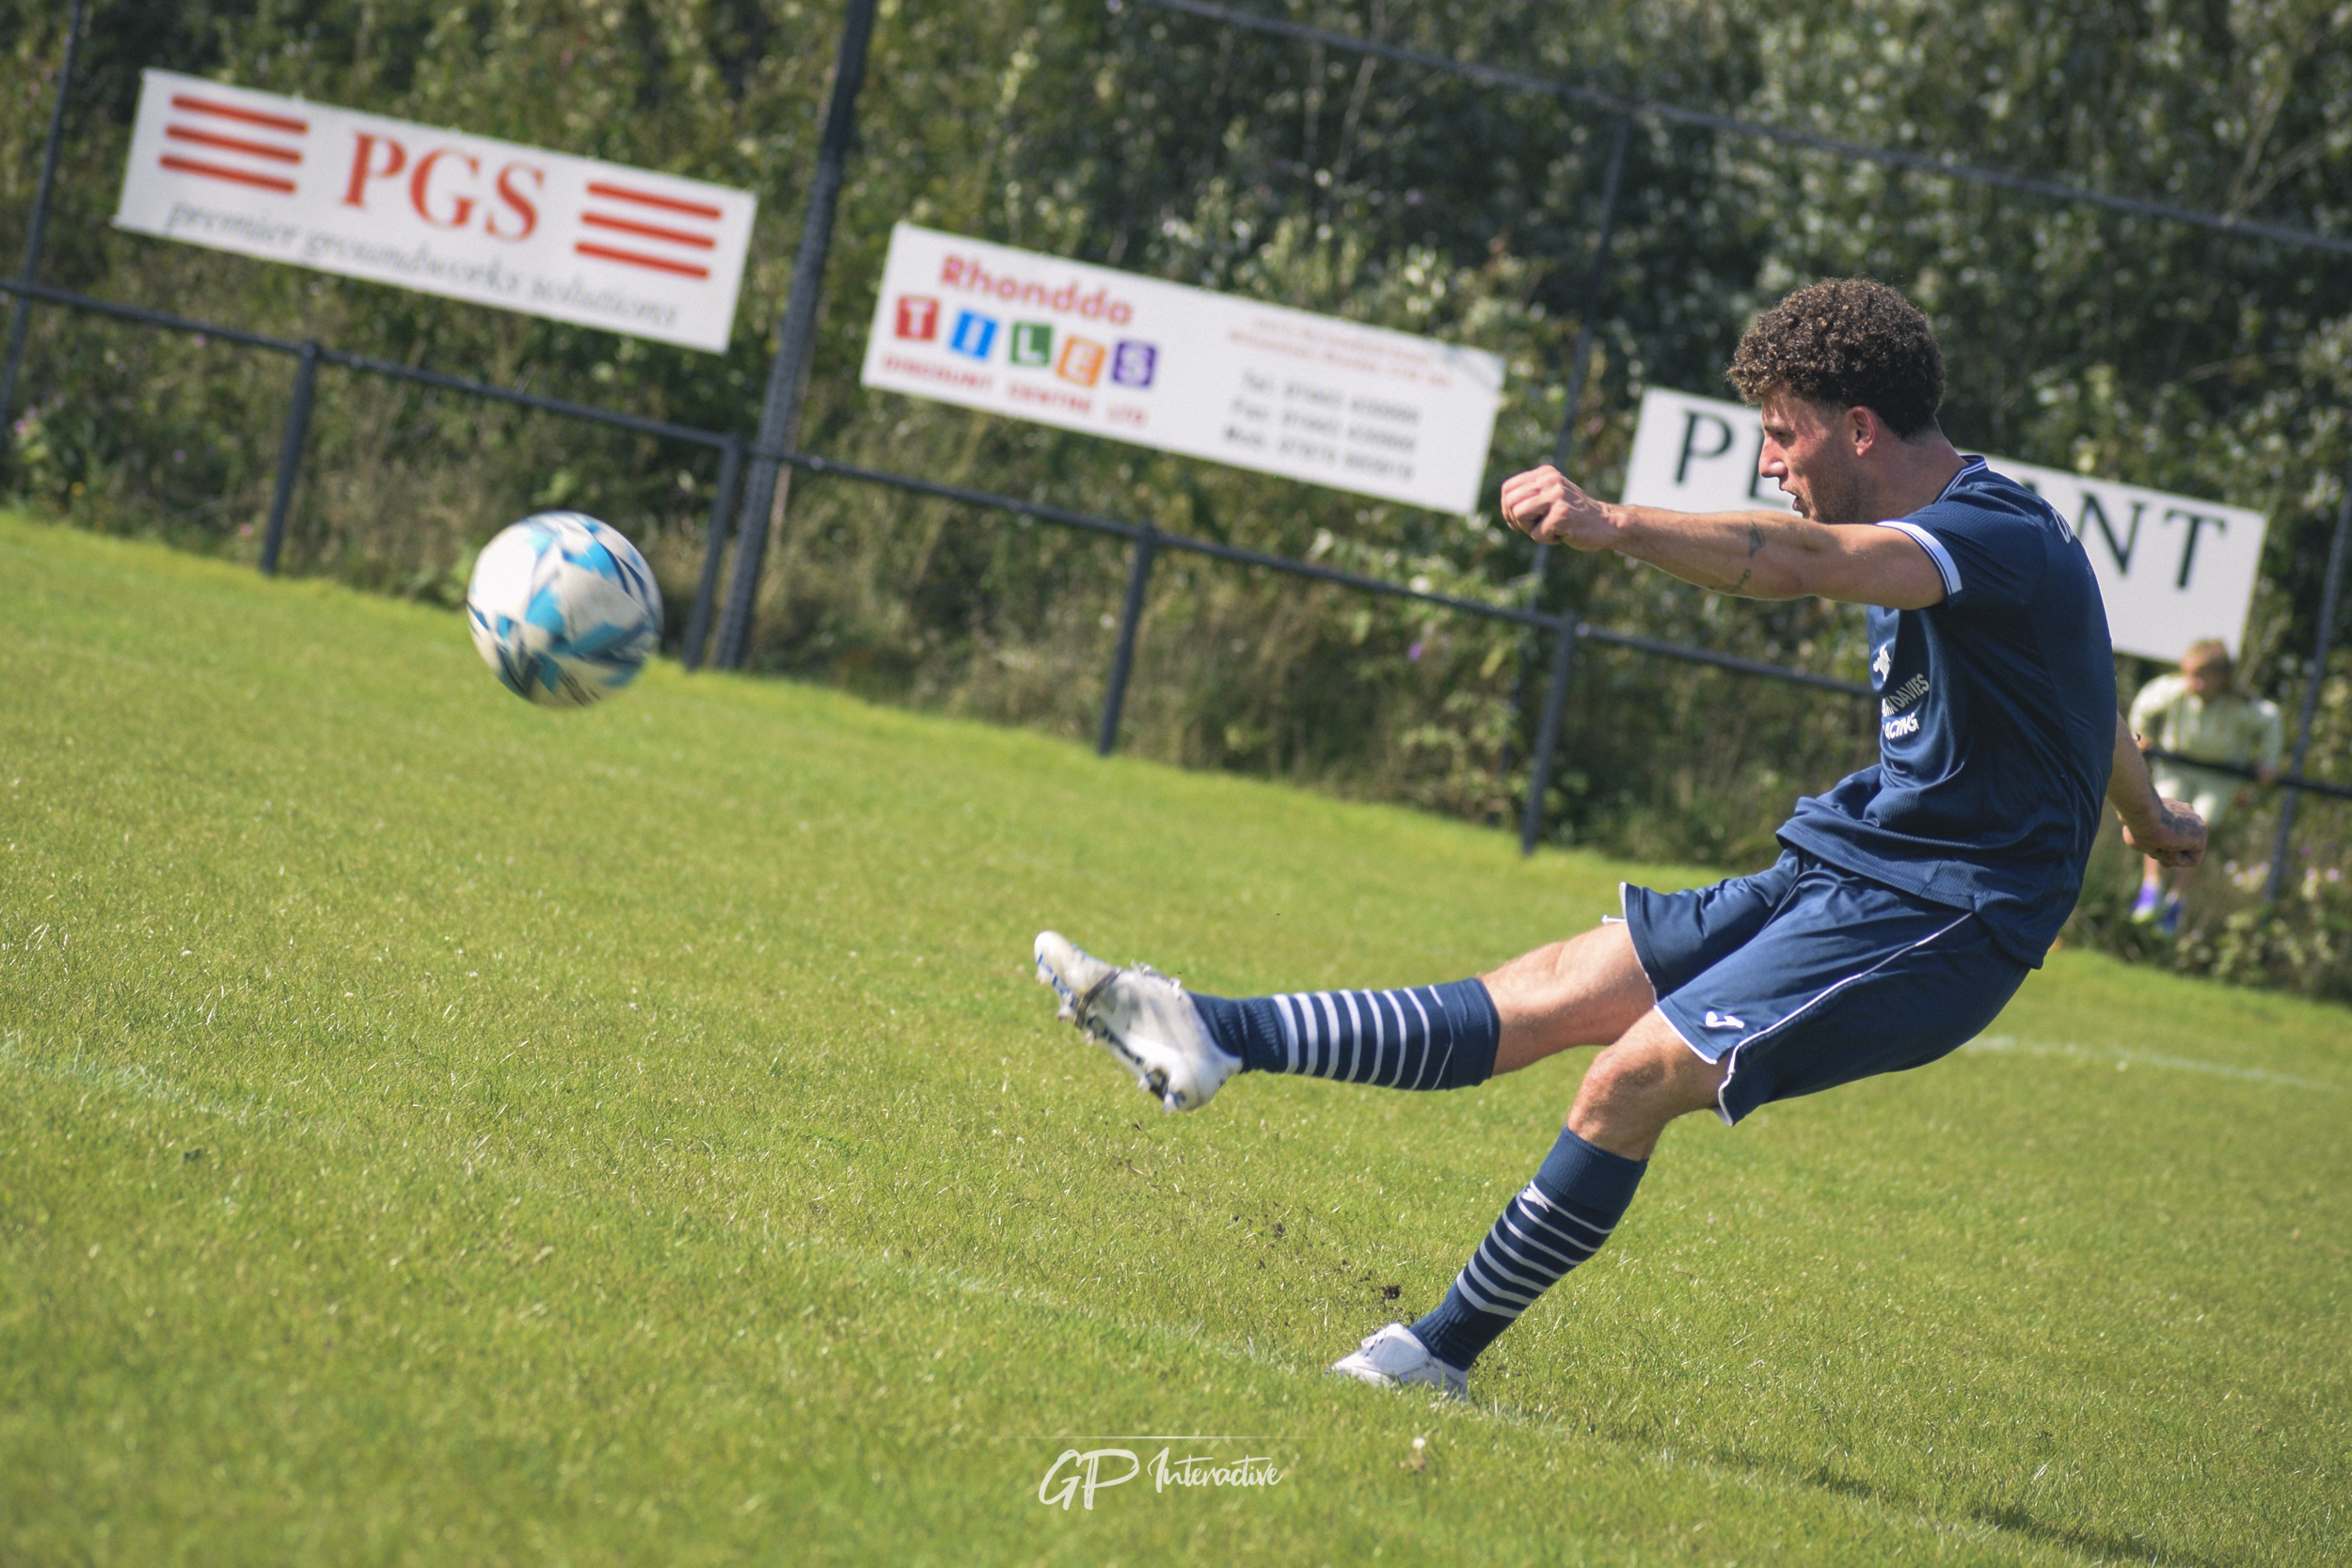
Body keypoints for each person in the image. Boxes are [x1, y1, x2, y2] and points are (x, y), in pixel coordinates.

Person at [1031, 278, 2208, 1401]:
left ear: (1858, 428)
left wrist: (1610, 524)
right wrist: (2147, 817)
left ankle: (1438, 1351)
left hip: (1946, 914)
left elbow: (1796, 564)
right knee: (1553, 987)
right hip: (1851, 859)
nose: (1769, 463)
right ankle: (1211, 1033)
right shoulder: (1960, 541)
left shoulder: (1987, 532)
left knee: (1629, 1075)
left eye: (1782, 434)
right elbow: (2086, 691)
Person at [2126, 639, 2281, 935]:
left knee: (2198, 829)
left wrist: (2268, 762)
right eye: (2189, 674)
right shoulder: (2174, 690)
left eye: (2201, 676)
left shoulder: (2241, 706)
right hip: (2176, 766)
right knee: (2159, 818)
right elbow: (2143, 705)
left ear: (2222, 678)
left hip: (2218, 777)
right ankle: (2151, 889)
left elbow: (2271, 721)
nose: (2192, 683)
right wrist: (2140, 735)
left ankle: (2176, 902)